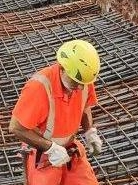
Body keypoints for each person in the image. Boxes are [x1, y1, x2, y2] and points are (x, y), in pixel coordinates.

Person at [8, 39, 103, 185]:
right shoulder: (39, 87)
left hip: (70, 149)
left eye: (83, 84)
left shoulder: (82, 78)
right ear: (62, 68)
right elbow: (16, 127)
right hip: (42, 153)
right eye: (75, 83)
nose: (80, 88)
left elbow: (85, 107)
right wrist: (50, 148)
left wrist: (90, 132)